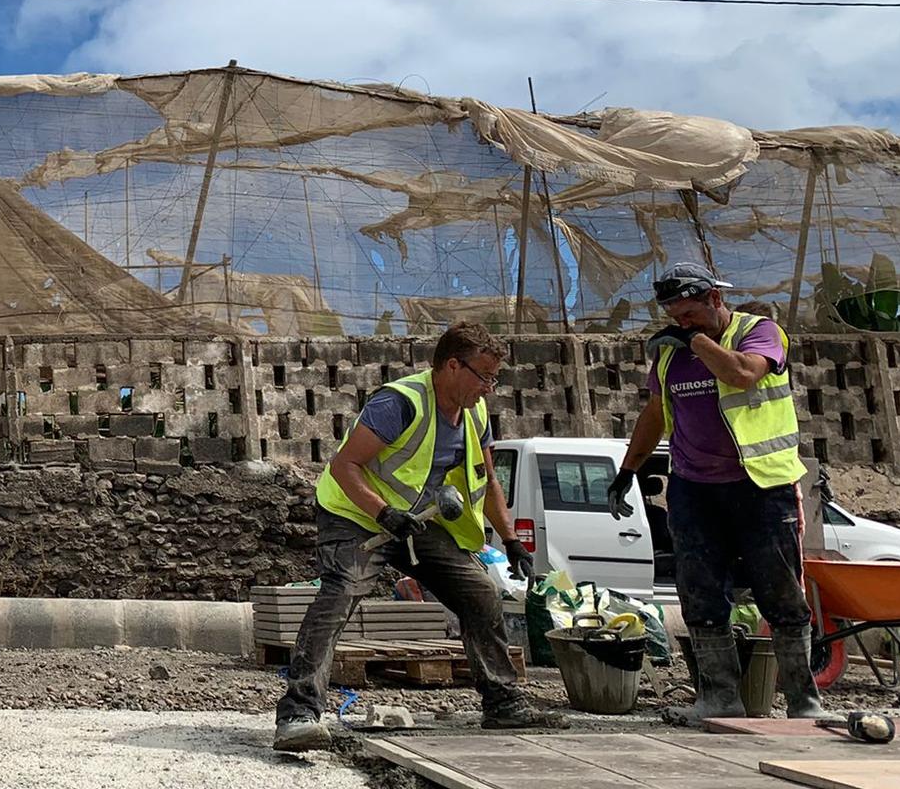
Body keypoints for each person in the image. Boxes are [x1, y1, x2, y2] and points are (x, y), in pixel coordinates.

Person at [272, 322, 555, 751]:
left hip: (415, 523)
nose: (490, 388)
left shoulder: (474, 414)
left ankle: (502, 701)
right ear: (452, 366)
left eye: (495, 378)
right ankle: (298, 713)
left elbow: (489, 480)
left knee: (479, 591)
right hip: (356, 515)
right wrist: (384, 513)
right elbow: (344, 466)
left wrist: (512, 540)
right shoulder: (399, 404)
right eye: (484, 376)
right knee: (341, 593)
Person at [607, 263, 820, 724]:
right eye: (675, 316)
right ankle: (720, 696)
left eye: (691, 314)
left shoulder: (759, 333)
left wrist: (696, 342)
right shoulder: (670, 355)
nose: (683, 323)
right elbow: (656, 413)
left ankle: (804, 701)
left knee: (781, 593)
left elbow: (743, 374)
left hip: (760, 485)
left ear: (715, 300)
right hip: (695, 490)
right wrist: (628, 470)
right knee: (700, 595)